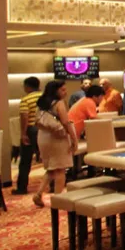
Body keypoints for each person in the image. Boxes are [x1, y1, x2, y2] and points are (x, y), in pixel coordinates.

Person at [33, 80, 77, 208]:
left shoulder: (41, 104)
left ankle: (38, 193)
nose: (65, 92)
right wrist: (74, 139)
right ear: (55, 90)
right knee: (61, 170)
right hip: (57, 138)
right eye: (62, 90)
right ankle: (58, 200)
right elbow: (66, 122)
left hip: (43, 136)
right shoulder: (59, 103)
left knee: (52, 168)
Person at [14, 76, 42, 195]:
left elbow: (24, 117)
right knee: (48, 159)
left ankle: (22, 188)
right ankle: (53, 185)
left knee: (25, 160)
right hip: (44, 129)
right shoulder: (44, 97)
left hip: (31, 130)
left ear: (27, 87)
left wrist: (23, 134)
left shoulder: (25, 100)